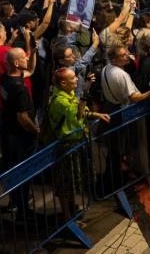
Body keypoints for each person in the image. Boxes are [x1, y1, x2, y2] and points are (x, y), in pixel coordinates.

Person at [46, 67, 110, 223]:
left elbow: (83, 112)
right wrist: (85, 94)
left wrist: (96, 114)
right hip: (66, 146)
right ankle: (67, 217)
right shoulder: (59, 100)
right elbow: (78, 113)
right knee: (66, 183)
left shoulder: (69, 94)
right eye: (73, 78)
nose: (76, 79)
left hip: (77, 143)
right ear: (63, 82)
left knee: (74, 181)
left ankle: (72, 210)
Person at [0, 47, 39, 214]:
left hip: (7, 132)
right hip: (20, 137)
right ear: (16, 63)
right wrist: (35, 129)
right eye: (24, 57)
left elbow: (30, 70)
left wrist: (33, 53)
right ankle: (23, 209)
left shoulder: (5, 78)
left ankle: (15, 202)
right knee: (23, 172)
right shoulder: (20, 89)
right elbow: (22, 118)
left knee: (13, 169)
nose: (26, 58)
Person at [100, 45, 150, 111]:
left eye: (126, 53)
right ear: (114, 60)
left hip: (111, 106)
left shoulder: (105, 68)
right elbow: (134, 98)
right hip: (125, 110)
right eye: (123, 55)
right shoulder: (122, 75)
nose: (128, 56)